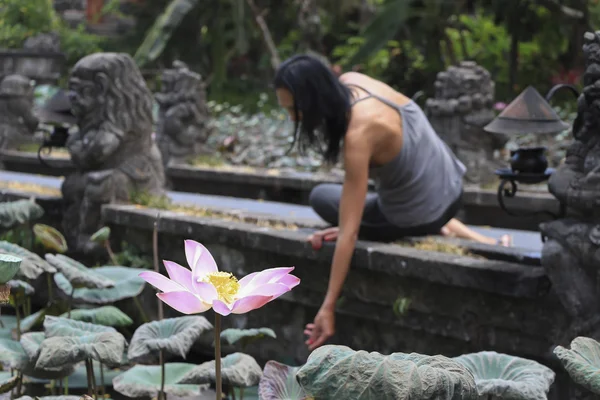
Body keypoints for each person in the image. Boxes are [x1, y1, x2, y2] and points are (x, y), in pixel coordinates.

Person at [273, 54, 511, 351]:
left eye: (294, 110)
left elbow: (349, 235)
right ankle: (472, 236)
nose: (293, 118)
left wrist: (328, 306)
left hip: (419, 213)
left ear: (314, 100)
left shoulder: (358, 134)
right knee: (343, 203)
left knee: (321, 197)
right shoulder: (354, 82)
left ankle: (435, 225)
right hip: (450, 187)